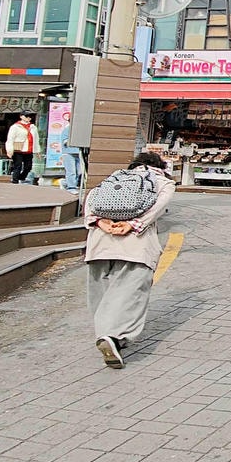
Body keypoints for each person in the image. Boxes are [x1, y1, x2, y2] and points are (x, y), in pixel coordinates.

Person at [84, 151, 175, 369]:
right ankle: (113, 335)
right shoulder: (163, 182)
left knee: (100, 291)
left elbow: (90, 203)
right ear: (160, 166)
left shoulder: (114, 178)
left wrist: (100, 223)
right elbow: (156, 209)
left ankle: (109, 335)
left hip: (99, 243)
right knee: (131, 292)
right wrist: (133, 225)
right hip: (136, 244)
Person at [5, 112, 40, 185]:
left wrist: (37, 151)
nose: (28, 118)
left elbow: (36, 139)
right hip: (18, 149)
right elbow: (10, 139)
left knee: (28, 166)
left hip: (29, 149)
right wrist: (9, 150)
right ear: (21, 116)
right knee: (18, 165)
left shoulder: (33, 127)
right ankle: (15, 180)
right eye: (26, 116)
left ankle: (21, 177)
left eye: (30, 116)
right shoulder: (15, 127)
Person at [60, 120, 85, 194]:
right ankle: (71, 187)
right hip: (68, 153)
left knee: (79, 171)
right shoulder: (68, 129)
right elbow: (65, 141)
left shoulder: (80, 129)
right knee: (71, 171)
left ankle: (65, 183)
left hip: (78, 153)